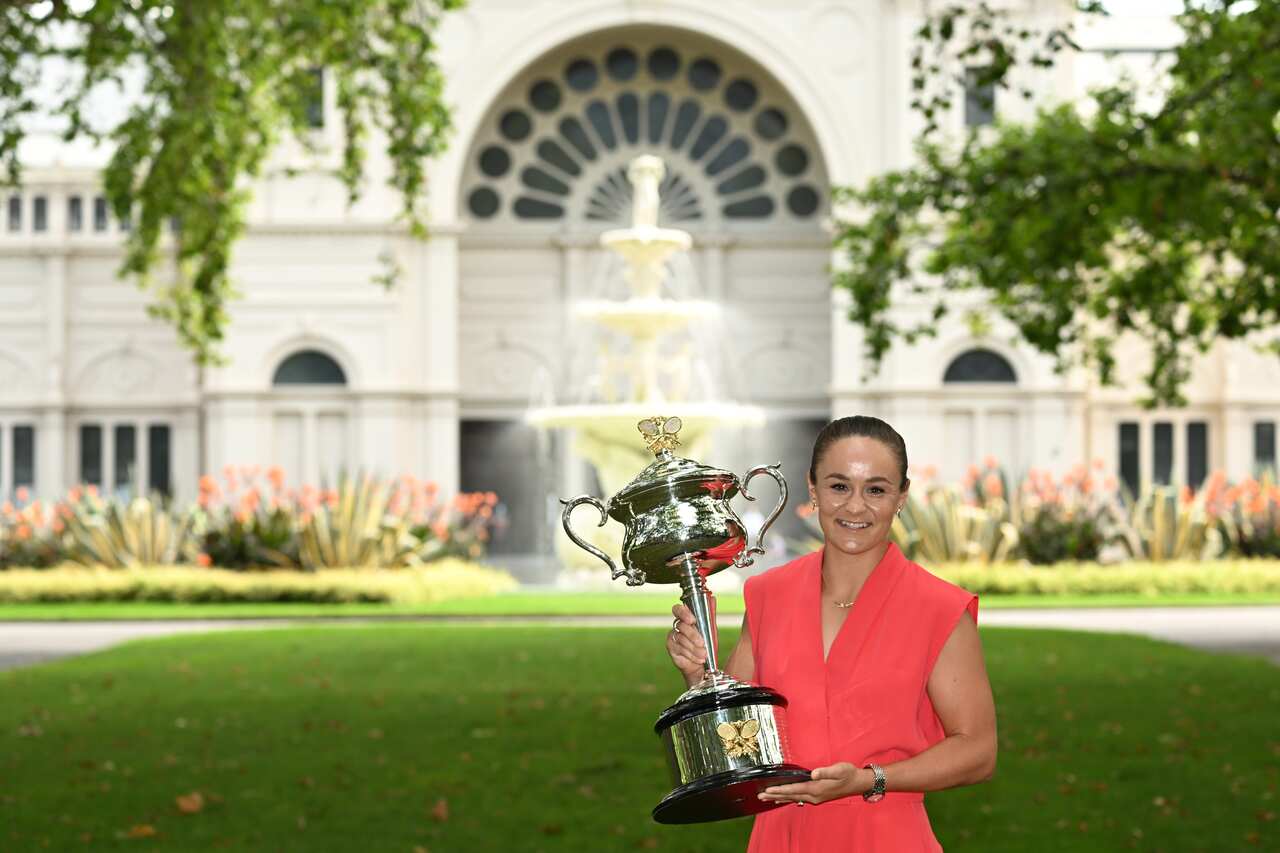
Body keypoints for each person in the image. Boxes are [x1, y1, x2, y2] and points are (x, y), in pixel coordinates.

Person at [666, 416, 997, 851]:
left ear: (901, 497)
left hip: (886, 838)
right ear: (813, 489)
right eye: (839, 486)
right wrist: (698, 676)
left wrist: (869, 779)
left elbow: (977, 751)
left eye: (875, 489)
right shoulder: (768, 595)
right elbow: (739, 737)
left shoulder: (939, 608)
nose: (855, 507)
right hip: (779, 838)